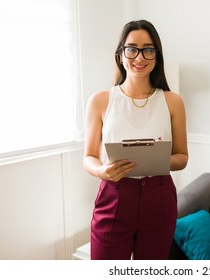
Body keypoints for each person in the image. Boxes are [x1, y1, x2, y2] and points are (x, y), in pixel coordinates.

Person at [83, 20, 188, 260]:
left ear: (156, 56)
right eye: (132, 49)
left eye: (148, 50)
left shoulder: (173, 101)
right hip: (114, 195)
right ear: (120, 55)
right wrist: (101, 171)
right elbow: (88, 157)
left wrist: (156, 160)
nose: (139, 57)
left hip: (158, 198)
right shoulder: (99, 100)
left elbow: (182, 157)